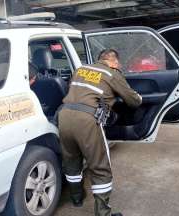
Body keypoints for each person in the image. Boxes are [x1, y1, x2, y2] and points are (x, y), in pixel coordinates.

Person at [58, 49, 142, 216]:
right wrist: (139, 97)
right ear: (114, 62)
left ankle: (77, 198)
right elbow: (132, 101)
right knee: (100, 166)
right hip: (87, 121)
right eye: (118, 64)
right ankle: (103, 213)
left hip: (64, 116)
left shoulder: (80, 70)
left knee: (71, 160)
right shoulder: (112, 73)